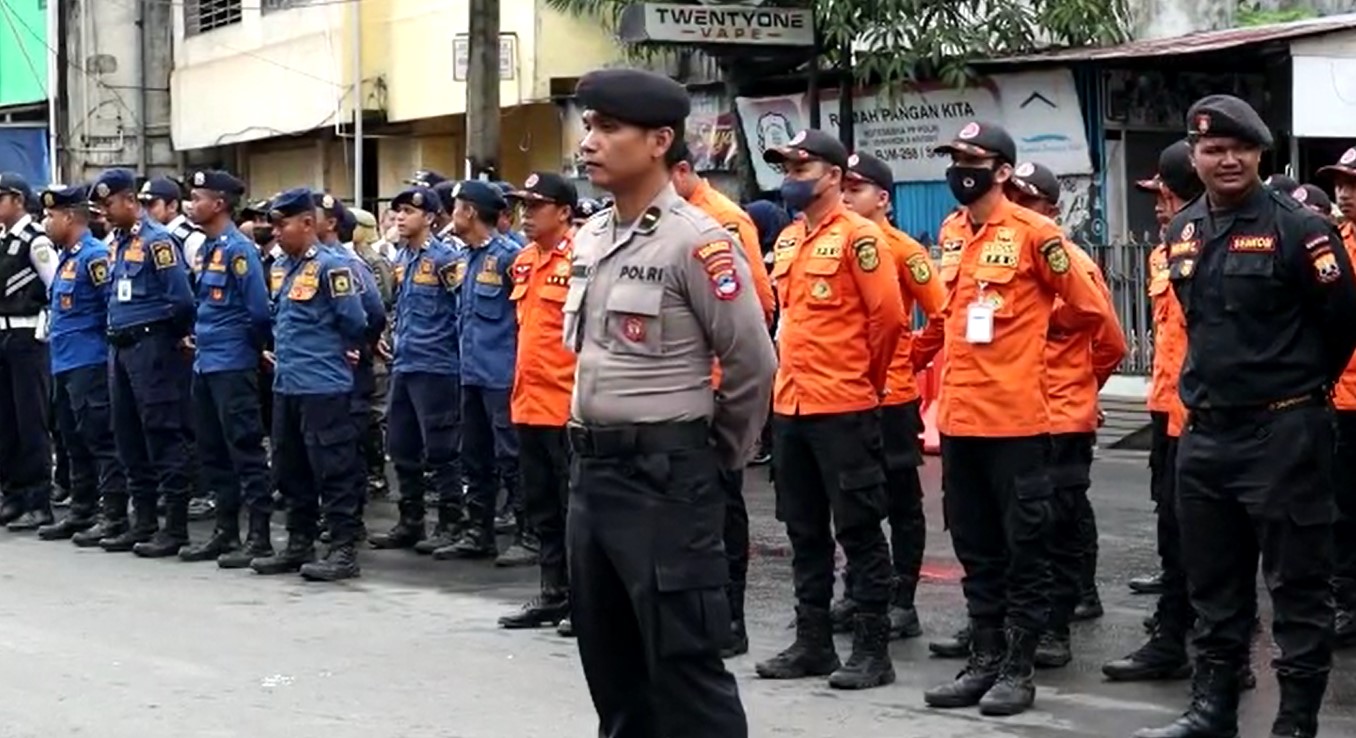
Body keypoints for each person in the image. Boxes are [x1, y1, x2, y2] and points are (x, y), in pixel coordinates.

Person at [564, 67, 775, 738]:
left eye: (609, 128)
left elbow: (752, 363)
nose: (589, 140)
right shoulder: (592, 235)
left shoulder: (698, 241)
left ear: (660, 141)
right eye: (589, 125)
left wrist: (716, 458)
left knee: (685, 670)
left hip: (664, 479)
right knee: (612, 670)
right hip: (591, 477)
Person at [1136, 95, 1356, 738]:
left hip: (1284, 432)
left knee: (1297, 587)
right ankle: (1213, 709)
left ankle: (1294, 721)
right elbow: (1198, 321)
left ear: (1260, 153)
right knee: (1214, 586)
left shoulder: (1299, 229)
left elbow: (1340, 324)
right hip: (1206, 435)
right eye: (1212, 149)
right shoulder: (1184, 230)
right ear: (1196, 156)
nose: (1227, 159)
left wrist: (1291, 386)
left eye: (1240, 149)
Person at [913, 121, 1110, 716]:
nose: (959, 169)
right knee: (977, 551)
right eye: (954, 158)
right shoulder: (956, 236)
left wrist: (1033, 339)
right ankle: (984, 662)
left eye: (972, 159)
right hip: (961, 421)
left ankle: (1018, 672)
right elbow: (950, 318)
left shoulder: (1034, 232)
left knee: (1026, 553)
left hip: (1019, 423)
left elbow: (1090, 308)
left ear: (1002, 171)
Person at [754, 130, 905, 691]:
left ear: (835, 176)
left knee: (860, 530)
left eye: (803, 165)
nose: (792, 175)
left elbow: (888, 321)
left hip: (843, 405)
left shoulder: (861, 239)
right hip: (791, 406)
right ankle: (812, 642)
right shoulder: (791, 241)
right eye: (787, 166)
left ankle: (872, 649)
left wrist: (861, 380)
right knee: (803, 529)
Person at [1005, 160, 1127, 666]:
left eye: (1028, 201)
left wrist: (1079, 387)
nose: (1016, 208)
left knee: (1061, 518)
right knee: (1016, 523)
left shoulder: (1073, 265)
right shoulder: (1003, 265)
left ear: (1052, 211)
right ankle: (1009, 622)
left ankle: (1068, 609)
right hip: (1012, 415)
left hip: (1061, 415)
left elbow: (1112, 344)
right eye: (1011, 197)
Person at [1106, 139, 1208, 682]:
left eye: (1163, 194)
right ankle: (1175, 628)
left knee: (1207, 533)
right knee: (1172, 527)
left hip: (1206, 414)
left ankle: (1209, 641)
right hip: (1167, 410)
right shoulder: (1162, 250)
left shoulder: (1218, 241)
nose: (1157, 205)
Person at [838, 151, 947, 641]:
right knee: (850, 499)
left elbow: (941, 316)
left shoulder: (905, 251)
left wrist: (910, 358)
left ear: (882, 198)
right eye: (843, 187)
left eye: (856, 188)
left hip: (892, 395)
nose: (845, 196)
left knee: (902, 500)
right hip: (843, 395)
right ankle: (859, 590)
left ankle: (902, 598)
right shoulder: (833, 243)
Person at [670, 148, 775, 656]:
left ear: (684, 171)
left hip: (712, 385)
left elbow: (757, 304)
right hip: (672, 390)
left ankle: (729, 616)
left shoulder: (724, 222)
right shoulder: (654, 221)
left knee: (721, 506)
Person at [251, 188, 370, 581]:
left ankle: (342, 548)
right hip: (288, 382)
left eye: (282, 224)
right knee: (291, 468)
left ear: (307, 223)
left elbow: (355, 320)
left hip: (323, 384)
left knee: (333, 467)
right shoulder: (283, 266)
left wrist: (342, 350)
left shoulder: (331, 267)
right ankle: (299, 543)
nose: (276, 231)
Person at [89, 168, 197, 554]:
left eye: (109, 204)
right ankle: (144, 521)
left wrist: (172, 337)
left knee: (162, 432)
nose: (104, 212)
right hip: (120, 348)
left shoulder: (159, 242)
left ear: (130, 201)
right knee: (128, 435)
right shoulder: (115, 243)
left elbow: (182, 300)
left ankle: (175, 529)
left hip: (152, 347)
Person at [173, 170, 274, 566]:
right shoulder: (210, 249)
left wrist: (248, 352)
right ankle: (226, 533)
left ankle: (260, 537)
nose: (190, 204)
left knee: (245, 448)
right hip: (206, 363)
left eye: (197, 197)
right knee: (213, 451)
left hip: (232, 365)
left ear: (218, 204)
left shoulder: (238, 249)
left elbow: (259, 313)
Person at [498, 171, 579, 631]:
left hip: (567, 404)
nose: (526, 214)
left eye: (536, 206)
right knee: (542, 506)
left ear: (564, 212)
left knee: (574, 512)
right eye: (523, 206)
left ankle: (583, 601)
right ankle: (553, 592)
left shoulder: (583, 258)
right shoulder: (525, 260)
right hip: (528, 401)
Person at [368, 186, 465, 553]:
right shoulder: (402, 258)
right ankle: (410, 522)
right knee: (402, 445)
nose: (400, 218)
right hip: (405, 361)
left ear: (429, 217)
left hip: (436, 364)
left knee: (441, 447)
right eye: (397, 212)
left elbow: (460, 310)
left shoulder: (444, 259)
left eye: (408, 211)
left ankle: (451, 523)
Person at [34, 184, 128, 544]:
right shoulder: (68, 258)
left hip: (89, 362)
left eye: (51, 215)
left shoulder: (94, 257)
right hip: (64, 362)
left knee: (100, 440)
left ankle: (113, 513)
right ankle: (82, 510)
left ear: (70, 217)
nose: (46, 222)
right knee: (72, 441)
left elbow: (111, 309)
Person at [440, 180, 523, 562]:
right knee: (474, 455)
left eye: (456, 208)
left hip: (502, 376)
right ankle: (479, 531)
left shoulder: (510, 257)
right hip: (471, 372)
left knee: (512, 456)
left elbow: (526, 319)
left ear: (470, 212)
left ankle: (529, 533)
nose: (451, 215)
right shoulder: (466, 257)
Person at [0, 172, 58, 530]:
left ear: (18, 200)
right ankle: (13, 493)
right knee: (5, 421)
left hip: (27, 337)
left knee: (31, 420)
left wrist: (44, 332)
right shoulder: (3, 240)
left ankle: (39, 499)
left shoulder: (36, 242)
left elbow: (57, 289)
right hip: (2, 336)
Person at [1320, 146, 1356, 648]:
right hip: (1339, 398)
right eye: (1341, 185)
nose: (1345, 194)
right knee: (1342, 509)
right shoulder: (1331, 243)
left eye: (1354, 186)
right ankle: (1347, 603)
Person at [349, 206, 395, 499]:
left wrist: (373, 339)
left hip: (376, 341)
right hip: (363, 341)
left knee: (372, 413)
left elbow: (382, 302)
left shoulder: (372, 261)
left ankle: (376, 474)